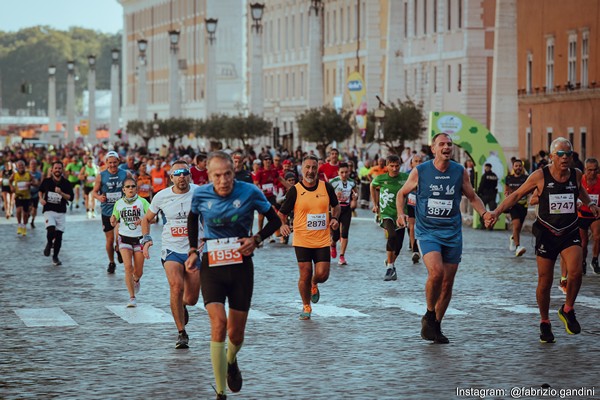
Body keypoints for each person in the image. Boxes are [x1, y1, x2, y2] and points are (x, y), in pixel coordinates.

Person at [185, 151, 281, 400]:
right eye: (217, 175)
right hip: (213, 266)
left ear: (233, 173)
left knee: (236, 334)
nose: (224, 180)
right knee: (218, 323)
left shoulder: (250, 191)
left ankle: (230, 359)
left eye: (228, 174)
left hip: (241, 267)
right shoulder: (200, 194)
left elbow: (275, 220)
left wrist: (256, 239)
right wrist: (194, 250)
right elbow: (193, 217)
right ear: (209, 176)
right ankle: (220, 392)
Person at [488, 137, 600, 343]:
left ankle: (568, 309)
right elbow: (517, 195)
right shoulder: (540, 175)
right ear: (551, 157)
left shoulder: (576, 175)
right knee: (545, 281)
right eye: (560, 154)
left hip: (569, 230)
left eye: (569, 154)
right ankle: (545, 321)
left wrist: (589, 204)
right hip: (547, 232)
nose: (565, 158)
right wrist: (496, 211)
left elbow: (581, 191)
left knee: (575, 272)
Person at [396, 133, 491, 344]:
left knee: (448, 283)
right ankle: (430, 313)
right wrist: (400, 214)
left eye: (449, 144)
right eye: (442, 144)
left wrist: (484, 214)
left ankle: (436, 325)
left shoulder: (459, 171)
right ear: (433, 149)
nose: (447, 147)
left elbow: (472, 197)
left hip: (453, 233)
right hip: (427, 231)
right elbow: (401, 194)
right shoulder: (420, 171)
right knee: (436, 273)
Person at [141, 160, 202, 349]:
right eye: (178, 174)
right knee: (176, 286)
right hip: (171, 249)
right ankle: (181, 332)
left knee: (191, 299)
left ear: (190, 175)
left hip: (195, 249)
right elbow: (147, 219)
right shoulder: (161, 196)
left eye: (185, 173)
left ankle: (182, 305)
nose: (182, 176)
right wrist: (146, 239)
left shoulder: (200, 192)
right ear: (171, 177)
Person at [278, 155, 341, 320]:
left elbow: (336, 206)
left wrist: (334, 219)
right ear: (302, 169)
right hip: (302, 240)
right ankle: (306, 306)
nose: (311, 171)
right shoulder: (295, 190)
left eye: (314, 167)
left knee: (323, 275)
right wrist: (283, 225)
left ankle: (314, 283)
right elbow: (282, 213)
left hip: (321, 239)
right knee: (304, 274)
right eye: (307, 167)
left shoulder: (326, 187)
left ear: (318, 169)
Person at [111, 177, 150, 308]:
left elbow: (153, 218)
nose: (131, 189)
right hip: (124, 237)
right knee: (128, 267)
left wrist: (144, 220)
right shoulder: (119, 203)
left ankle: (136, 280)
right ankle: (132, 297)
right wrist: (112, 219)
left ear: (136, 188)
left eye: (133, 186)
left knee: (138, 271)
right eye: (128, 187)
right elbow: (115, 218)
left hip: (139, 239)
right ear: (123, 189)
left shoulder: (142, 202)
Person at [371, 155, 410, 280]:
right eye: (391, 166)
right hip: (386, 212)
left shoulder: (405, 177)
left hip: (401, 213)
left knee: (398, 246)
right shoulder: (381, 178)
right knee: (391, 236)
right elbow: (372, 186)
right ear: (387, 166)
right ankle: (389, 267)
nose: (394, 168)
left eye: (397, 166)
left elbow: (414, 187)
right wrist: (375, 204)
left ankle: (390, 261)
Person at [93, 151, 130, 274]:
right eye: (110, 163)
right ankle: (111, 262)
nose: (113, 165)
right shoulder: (101, 175)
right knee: (109, 240)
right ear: (106, 163)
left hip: (122, 211)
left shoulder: (126, 174)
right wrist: (99, 198)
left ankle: (119, 249)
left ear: (119, 162)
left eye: (115, 162)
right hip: (107, 211)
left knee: (120, 237)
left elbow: (134, 188)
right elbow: (94, 192)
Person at [39, 161, 74, 266]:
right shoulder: (46, 181)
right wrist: (41, 199)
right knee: (50, 230)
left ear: (62, 170)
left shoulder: (66, 183)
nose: (57, 170)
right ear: (52, 170)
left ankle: (55, 257)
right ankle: (49, 243)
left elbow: (71, 197)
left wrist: (61, 193)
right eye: (56, 168)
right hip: (49, 210)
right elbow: (40, 190)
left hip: (61, 211)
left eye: (59, 168)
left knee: (59, 236)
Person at [328, 162, 358, 265]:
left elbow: (355, 192)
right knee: (336, 235)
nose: (344, 175)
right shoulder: (332, 182)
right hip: (336, 210)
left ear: (349, 172)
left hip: (346, 209)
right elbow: (326, 195)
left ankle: (342, 256)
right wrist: (335, 195)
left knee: (345, 233)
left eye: (346, 172)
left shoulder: (352, 182)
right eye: (342, 172)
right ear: (338, 172)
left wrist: (355, 198)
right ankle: (333, 244)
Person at [578, 158, 600, 275]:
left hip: (595, 215)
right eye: (590, 170)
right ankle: (582, 262)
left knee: (597, 236)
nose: (593, 173)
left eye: (595, 170)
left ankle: (595, 260)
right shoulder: (580, 180)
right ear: (585, 170)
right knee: (583, 243)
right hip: (581, 214)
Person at [505, 159, 529, 256]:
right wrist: (507, 195)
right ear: (513, 167)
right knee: (516, 225)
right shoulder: (509, 178)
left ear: (522, 167)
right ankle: (518, 246)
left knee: (519, 227)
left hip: (524, 205)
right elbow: (506, 190)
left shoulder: (526, 178)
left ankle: (513, 238)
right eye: (516, 166)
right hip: (513, 205)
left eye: (520, 166)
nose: (518, 168)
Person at [406, 154, 423, 263]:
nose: (418, 163)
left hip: (422, 203)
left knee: (420, 226)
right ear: (411, 164)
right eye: (416, 161)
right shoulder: (407, 175)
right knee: (411, 226)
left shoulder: (427, 174)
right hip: (410, 202)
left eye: (420, 161)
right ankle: (415, 250)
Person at [11, 160, 34, 236]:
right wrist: (12, 187)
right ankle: (19, 225)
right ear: (17, 167)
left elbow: (35, 182)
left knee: (25, 213)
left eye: (22, 166)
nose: (21, 167)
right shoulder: (15, 174)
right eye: (19, 166)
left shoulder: (28, 174)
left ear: (25, 166)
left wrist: (30, 183)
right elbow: (9, 181)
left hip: (27, 197)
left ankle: (24, 226)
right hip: (18, 195)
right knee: (18, 211)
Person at [28, 159, 42, 229]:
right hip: (28, 193)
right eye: (32, 164)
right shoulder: (27, 173)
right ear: (29, 165)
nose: (33, 166)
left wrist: (35, 184)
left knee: (35, 208)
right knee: (29, 207)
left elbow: (40, 183)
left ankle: (32, 221)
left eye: (34, 164)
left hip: (36, 193)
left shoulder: (39, 174)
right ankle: (27, 215)